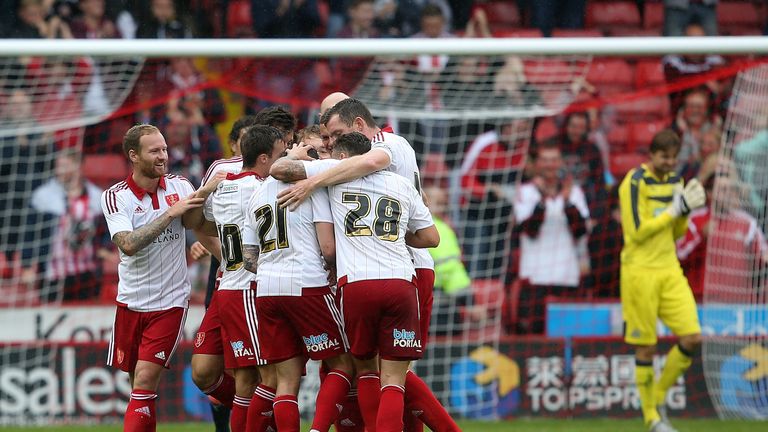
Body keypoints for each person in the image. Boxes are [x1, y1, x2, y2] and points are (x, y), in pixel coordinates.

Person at [275, 100, 461, 432]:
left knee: (371, 370)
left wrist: (310, 171)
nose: (329, 146)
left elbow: (285, 171)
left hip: (374, 276)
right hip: (403, 275)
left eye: (334, 136)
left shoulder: (383, 149)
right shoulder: (398, 173)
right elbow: (430, 234)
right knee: (395, 374)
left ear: (358, 126)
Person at [101, 124, 221, 431]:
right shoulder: (116, 197)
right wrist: (170, 213)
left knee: (144, 380)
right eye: (154, 151)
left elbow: (196, 222)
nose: (163, 156)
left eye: (165, 149)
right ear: (134, 155)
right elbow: (127, 245)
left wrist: (204, 195)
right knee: (140, 390)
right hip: (129, 303)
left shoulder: (180, 186)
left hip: (169, 303)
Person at [243, 136, 353, 432]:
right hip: (306, 283)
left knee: (285, 382)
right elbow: (328, 249)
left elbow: (248, 258)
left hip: (266, 289)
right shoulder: (309, 188)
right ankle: (318, 429)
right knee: (343, 364)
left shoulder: (256, 194)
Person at [196, 125, 287, 432]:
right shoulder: (262, 190)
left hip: (229, 285)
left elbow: (200, 221)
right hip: (249, 289)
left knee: (246, 381)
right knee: (270, 378)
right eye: (280, 155)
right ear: (263, 159)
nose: (284, 160)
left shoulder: (223, 187)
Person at [618, 129, 706, 432]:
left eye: (673, 157)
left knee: (692, 336)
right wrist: (674, 210)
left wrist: (684, 212)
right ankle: (651, 419)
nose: (669, 163)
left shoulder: (674, 181)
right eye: (664, 157)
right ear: (651, 155)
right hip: (639, 272)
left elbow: (678, 232)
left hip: (669, 269)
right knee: (645, 347)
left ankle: (655, 398)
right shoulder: (634, 182)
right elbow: (637, 232)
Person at [190, 114, 260, 432]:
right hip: (225, 275)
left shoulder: (269, 173)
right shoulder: (220, 169)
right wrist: (222, 252)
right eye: (244, 138)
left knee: (247, 368)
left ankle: (256, 419)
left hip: (259, 280)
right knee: (208, 368)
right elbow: (198, 221)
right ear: (234, 143)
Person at [513, 141, 590, 334]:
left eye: (554, 160)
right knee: (534, 338)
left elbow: (580, 230)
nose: (549, 165)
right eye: (545, 160)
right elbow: (529, 230)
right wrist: (543, 201)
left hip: (567, 276)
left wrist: (565, 202)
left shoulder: (574, 193)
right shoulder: (524, 192)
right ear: (537, 164)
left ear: (561, 163)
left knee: (568, 337)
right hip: (535, 276)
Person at [25, 148, 114, 302]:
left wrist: (105, 248)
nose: (59, 170)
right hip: (53, 272)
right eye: (58, 166)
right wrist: (27, 265)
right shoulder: (44, 197)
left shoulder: (96, 196)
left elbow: (106, 230)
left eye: (64, 166)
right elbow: (30, 233)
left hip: (87, 271)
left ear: (78, 167)